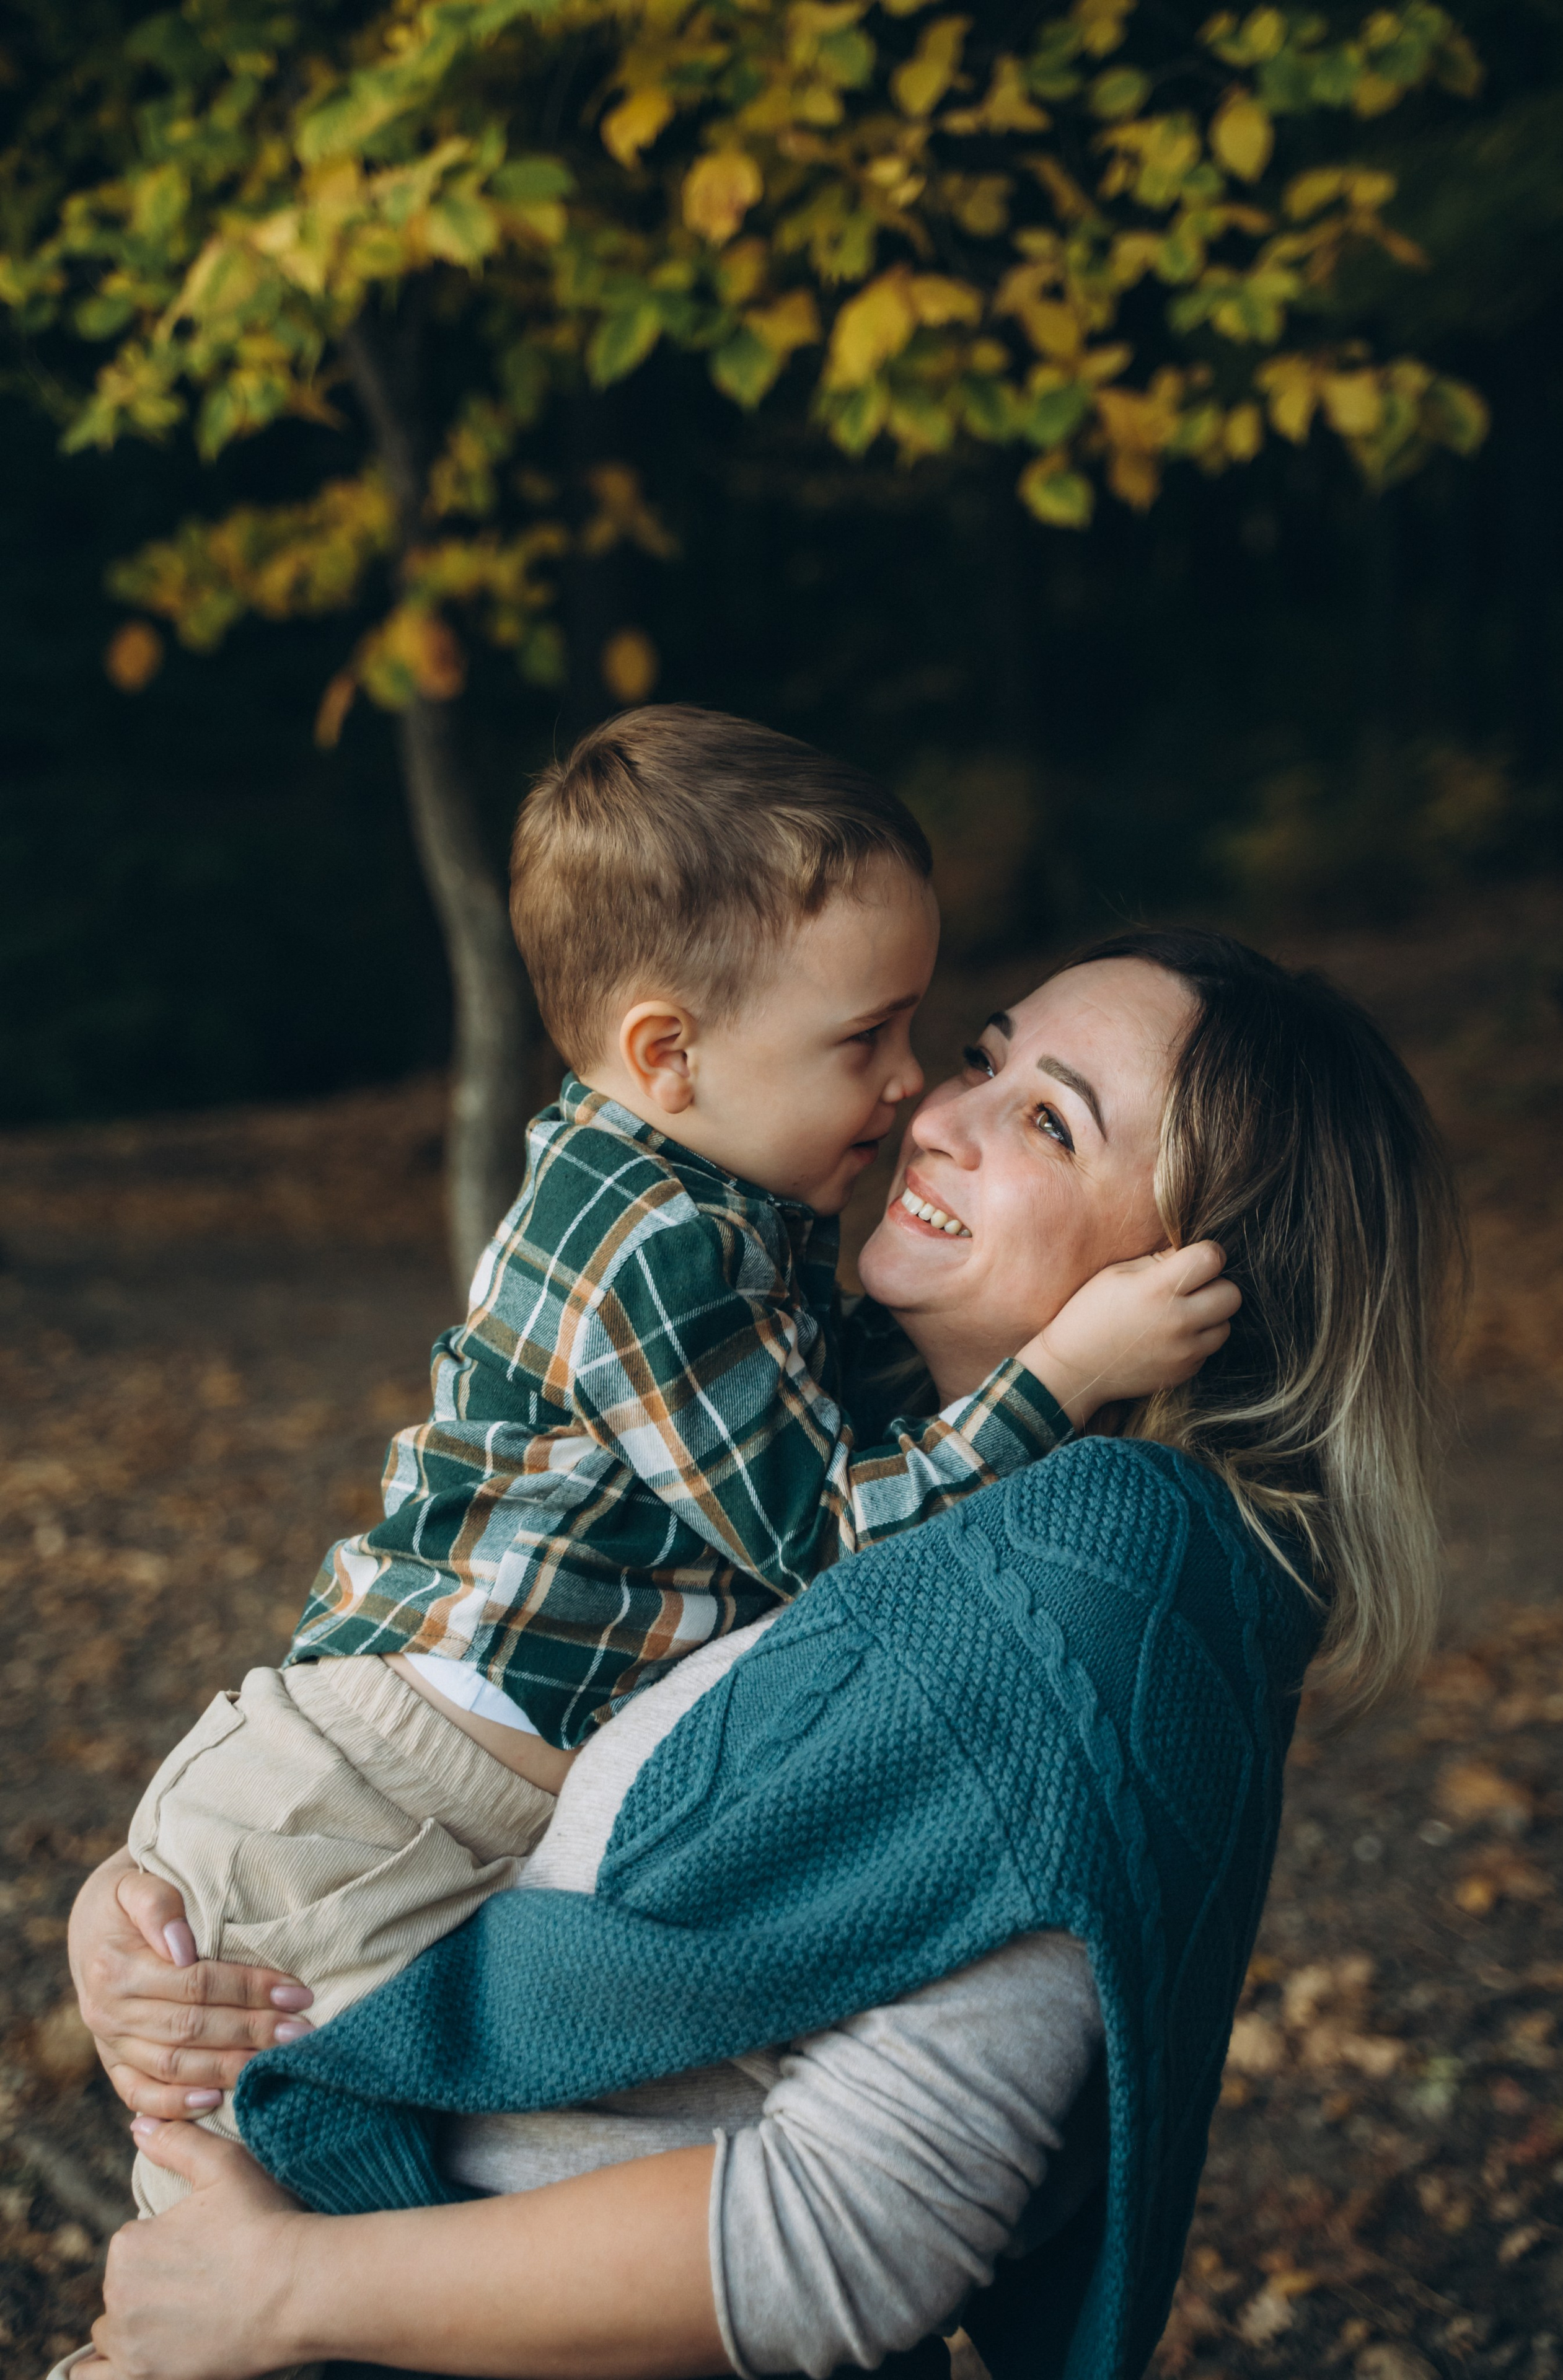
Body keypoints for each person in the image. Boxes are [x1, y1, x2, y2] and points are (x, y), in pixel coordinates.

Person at [62, 930, 1461, 2380]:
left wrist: (291, 2289)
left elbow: (855, 2230)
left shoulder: (1093, 1589)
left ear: (1202, 1280)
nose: (934, 1114)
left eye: (1050, 1122)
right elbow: (469, 1745)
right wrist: (170, 1925)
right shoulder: (823, 1443)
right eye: (980, 1059)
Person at [112, 708, 1236, 2229]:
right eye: (868, 1040)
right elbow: (823, 1529)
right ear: (667, 1054)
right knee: (288, 2180)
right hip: (376, 1797)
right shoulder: (657, 1244)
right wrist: (1063, 1373)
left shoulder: (720, 1205)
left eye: (923, 1035)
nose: (908, 1087)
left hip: (411, 1791)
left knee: (322, 2189)